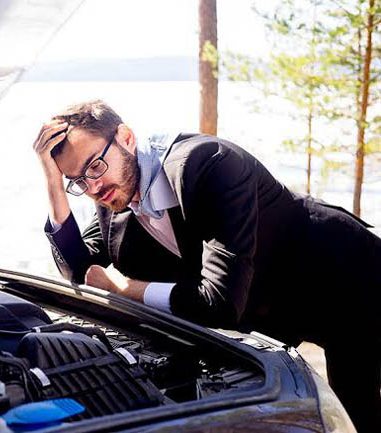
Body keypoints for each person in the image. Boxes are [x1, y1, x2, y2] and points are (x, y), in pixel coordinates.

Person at [33, 99, 381, 432]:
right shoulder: (113, 191)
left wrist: (125, 290)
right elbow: (81, 273)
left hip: (347, 279)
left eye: (94, 166)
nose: (93, 186)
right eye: (77, 181)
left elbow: (219, 304)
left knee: (359, 412)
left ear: (126, 137)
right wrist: (52, 183)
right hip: (268, 308)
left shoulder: (210, 164)